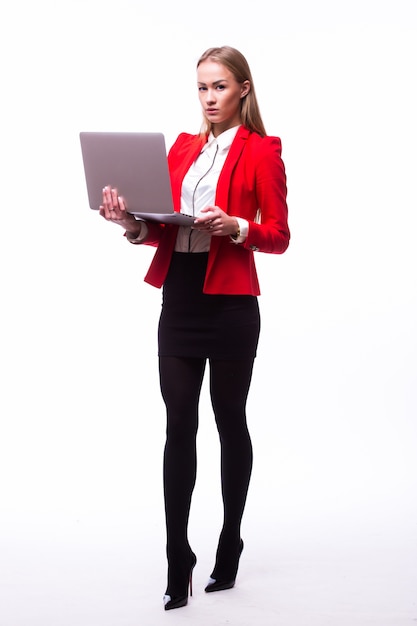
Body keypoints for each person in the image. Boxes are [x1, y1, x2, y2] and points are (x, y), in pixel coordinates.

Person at [99, 45, 290, 610]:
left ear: (243, 91)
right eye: (202, 88)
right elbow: (163, 227)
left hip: (230, 302)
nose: (209, 98)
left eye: (220, 87)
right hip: (180, 296)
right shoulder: (182, 149)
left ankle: (230, 539)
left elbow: (278, 235)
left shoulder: (262, 152)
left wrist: (236, 225)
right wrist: (131, 222)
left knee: (229, 420)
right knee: (177, 422)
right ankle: (177, 555)